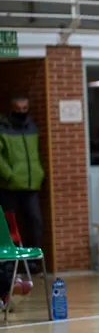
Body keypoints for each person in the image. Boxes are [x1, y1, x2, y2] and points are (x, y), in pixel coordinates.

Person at [0, 95, 45, 254]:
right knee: (8, 225)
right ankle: (9, 261)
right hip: (9, 185)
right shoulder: (3, 128)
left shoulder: (32, 127)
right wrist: (9, 175)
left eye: (25, 109)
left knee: (35, 221)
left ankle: (33, 258)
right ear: (12, 109)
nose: (22, 112)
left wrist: (39, 173)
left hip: (31, 184)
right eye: (18, 109)